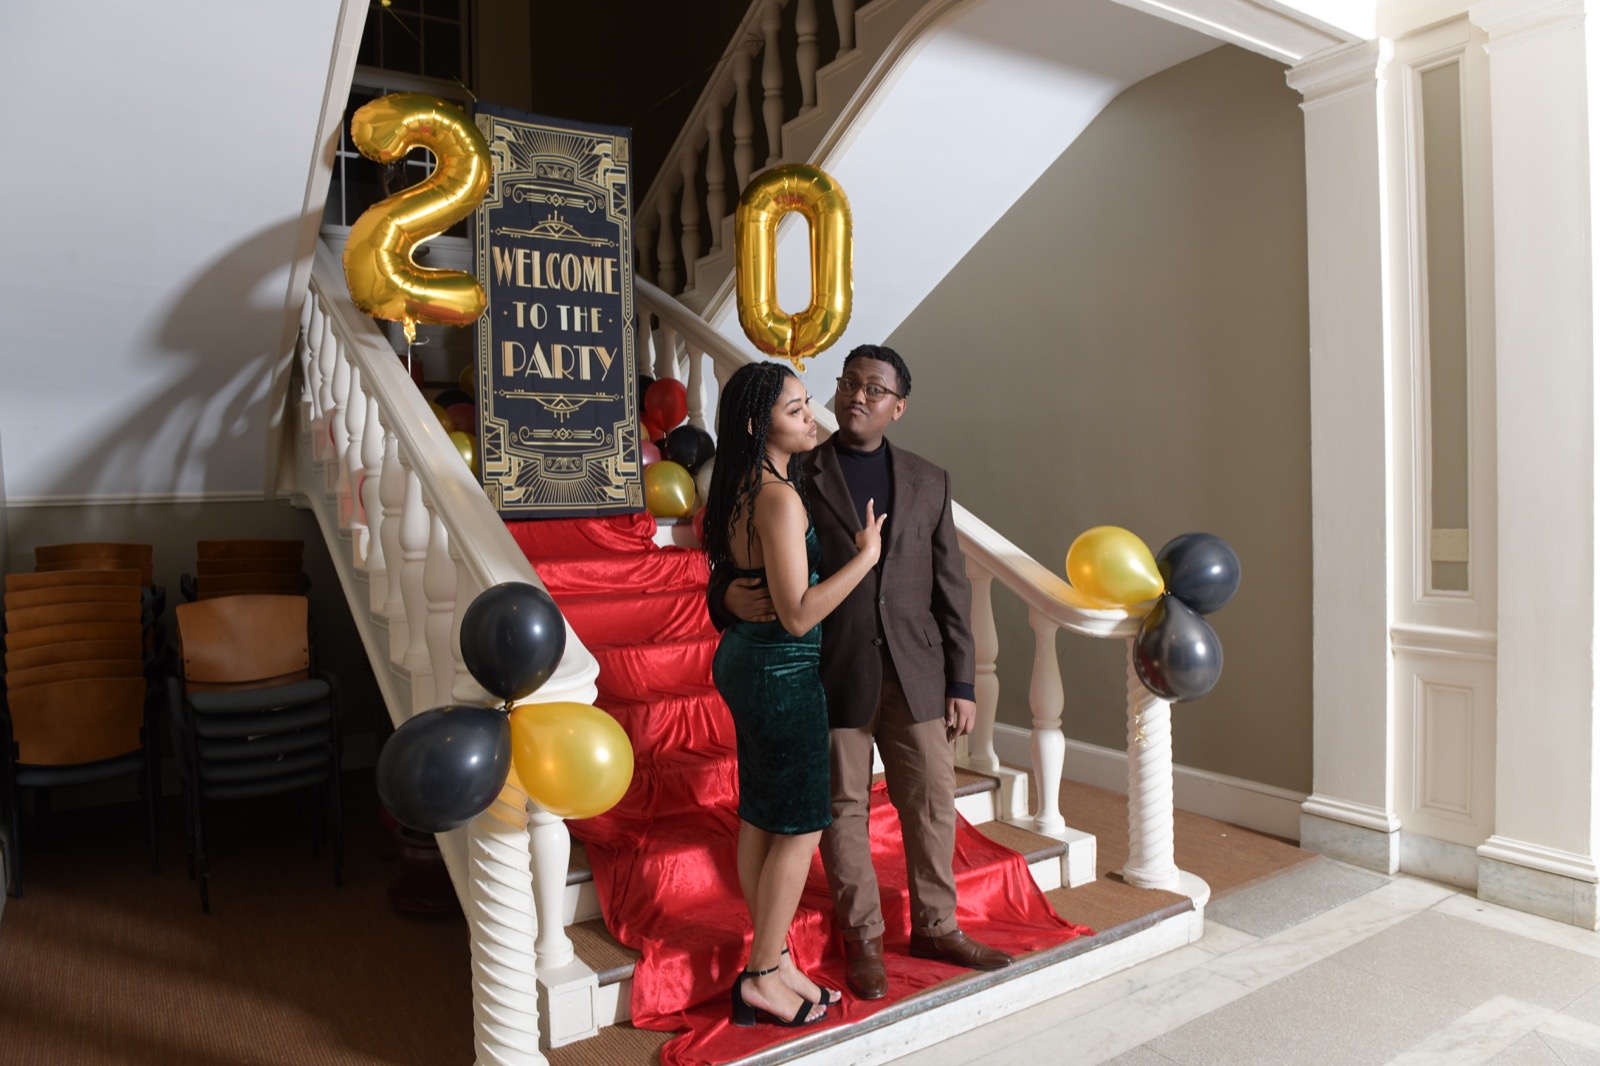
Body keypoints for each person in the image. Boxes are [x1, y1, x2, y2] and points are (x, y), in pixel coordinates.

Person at [711, 344, 1013, 1001]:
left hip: (917, 671)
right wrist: (725, 597)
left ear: (897, 407)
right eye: (850, 382)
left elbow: (950, 586)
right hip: (830, 671)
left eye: (875, 389)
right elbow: (746, 560)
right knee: (841, 811)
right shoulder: (796, 471)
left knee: (930, 803)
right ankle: (864, 943)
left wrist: (961, 680)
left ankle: (938, 926)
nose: (857, 396)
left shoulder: (930, 479)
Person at [702, 361, 887, 1028]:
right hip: (779, 671)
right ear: (758, 426)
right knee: (802, 822)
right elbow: (799, 614)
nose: (814, 418)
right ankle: (759, 977)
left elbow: (747, 582)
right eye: (796, 410)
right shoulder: (776, 498)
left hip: (754, 664)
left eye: (809, 404)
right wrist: (865, 560)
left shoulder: (753, 485)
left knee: (761, 814)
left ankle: (775, 960)